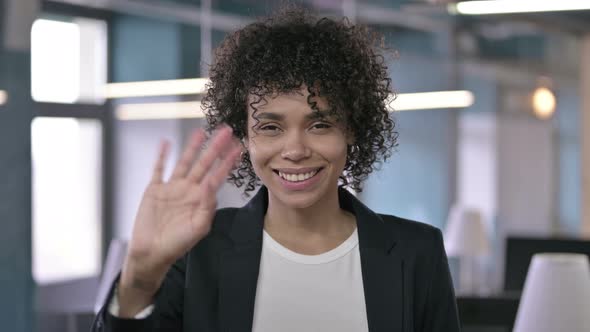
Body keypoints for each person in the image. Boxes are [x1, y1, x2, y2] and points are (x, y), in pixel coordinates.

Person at [92, 5, 460, 332]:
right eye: (271, 127)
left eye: (320, 125)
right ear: (245, 138)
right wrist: (139, 280)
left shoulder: (417, 253)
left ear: (351, 130)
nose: (296, 150)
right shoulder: (197, 252)